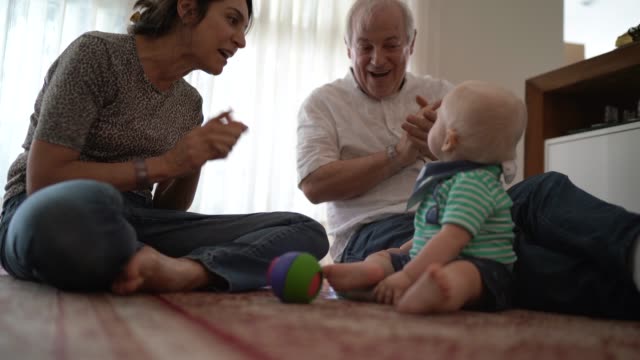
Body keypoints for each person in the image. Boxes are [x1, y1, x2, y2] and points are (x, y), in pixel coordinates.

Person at [297, 0, 640, 319]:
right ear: (347, 47)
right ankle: (626, 298)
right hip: (373, 230)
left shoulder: (446, 95)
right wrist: (397, 156)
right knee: (504, 251)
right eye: (365, 46)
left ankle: (633, 246)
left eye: (391, 44)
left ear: (411, 43)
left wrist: (445, 152)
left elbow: (495, 174)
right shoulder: (322, 103)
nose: (377, 59)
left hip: (463, 203)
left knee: (543, 189)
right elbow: (314, 184)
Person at [0, 0, 329, 294]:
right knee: (89, 205)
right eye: (232, 20)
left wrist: (195, 159)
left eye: (243, 29)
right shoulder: (96, 54)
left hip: (137, 221)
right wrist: (166, 165)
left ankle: (188, 271)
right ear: (187, 8)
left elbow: (167, 213)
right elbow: (43, 180)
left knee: (305, 231)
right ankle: (133, 256)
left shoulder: (189, 104)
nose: (241, 41)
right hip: (44, 209)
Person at [324, 80, 526, 315]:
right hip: (435, 259)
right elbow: (431, 231)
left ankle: (442, 291)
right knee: (385, 256)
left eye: (437, 121)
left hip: (482, 267)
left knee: (463, 273)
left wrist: (408, 274)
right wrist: (402, 251)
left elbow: (451, 239)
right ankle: (372, 273)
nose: (431, 125)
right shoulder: (449, 180)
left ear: (449, 140)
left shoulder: (474, 184)